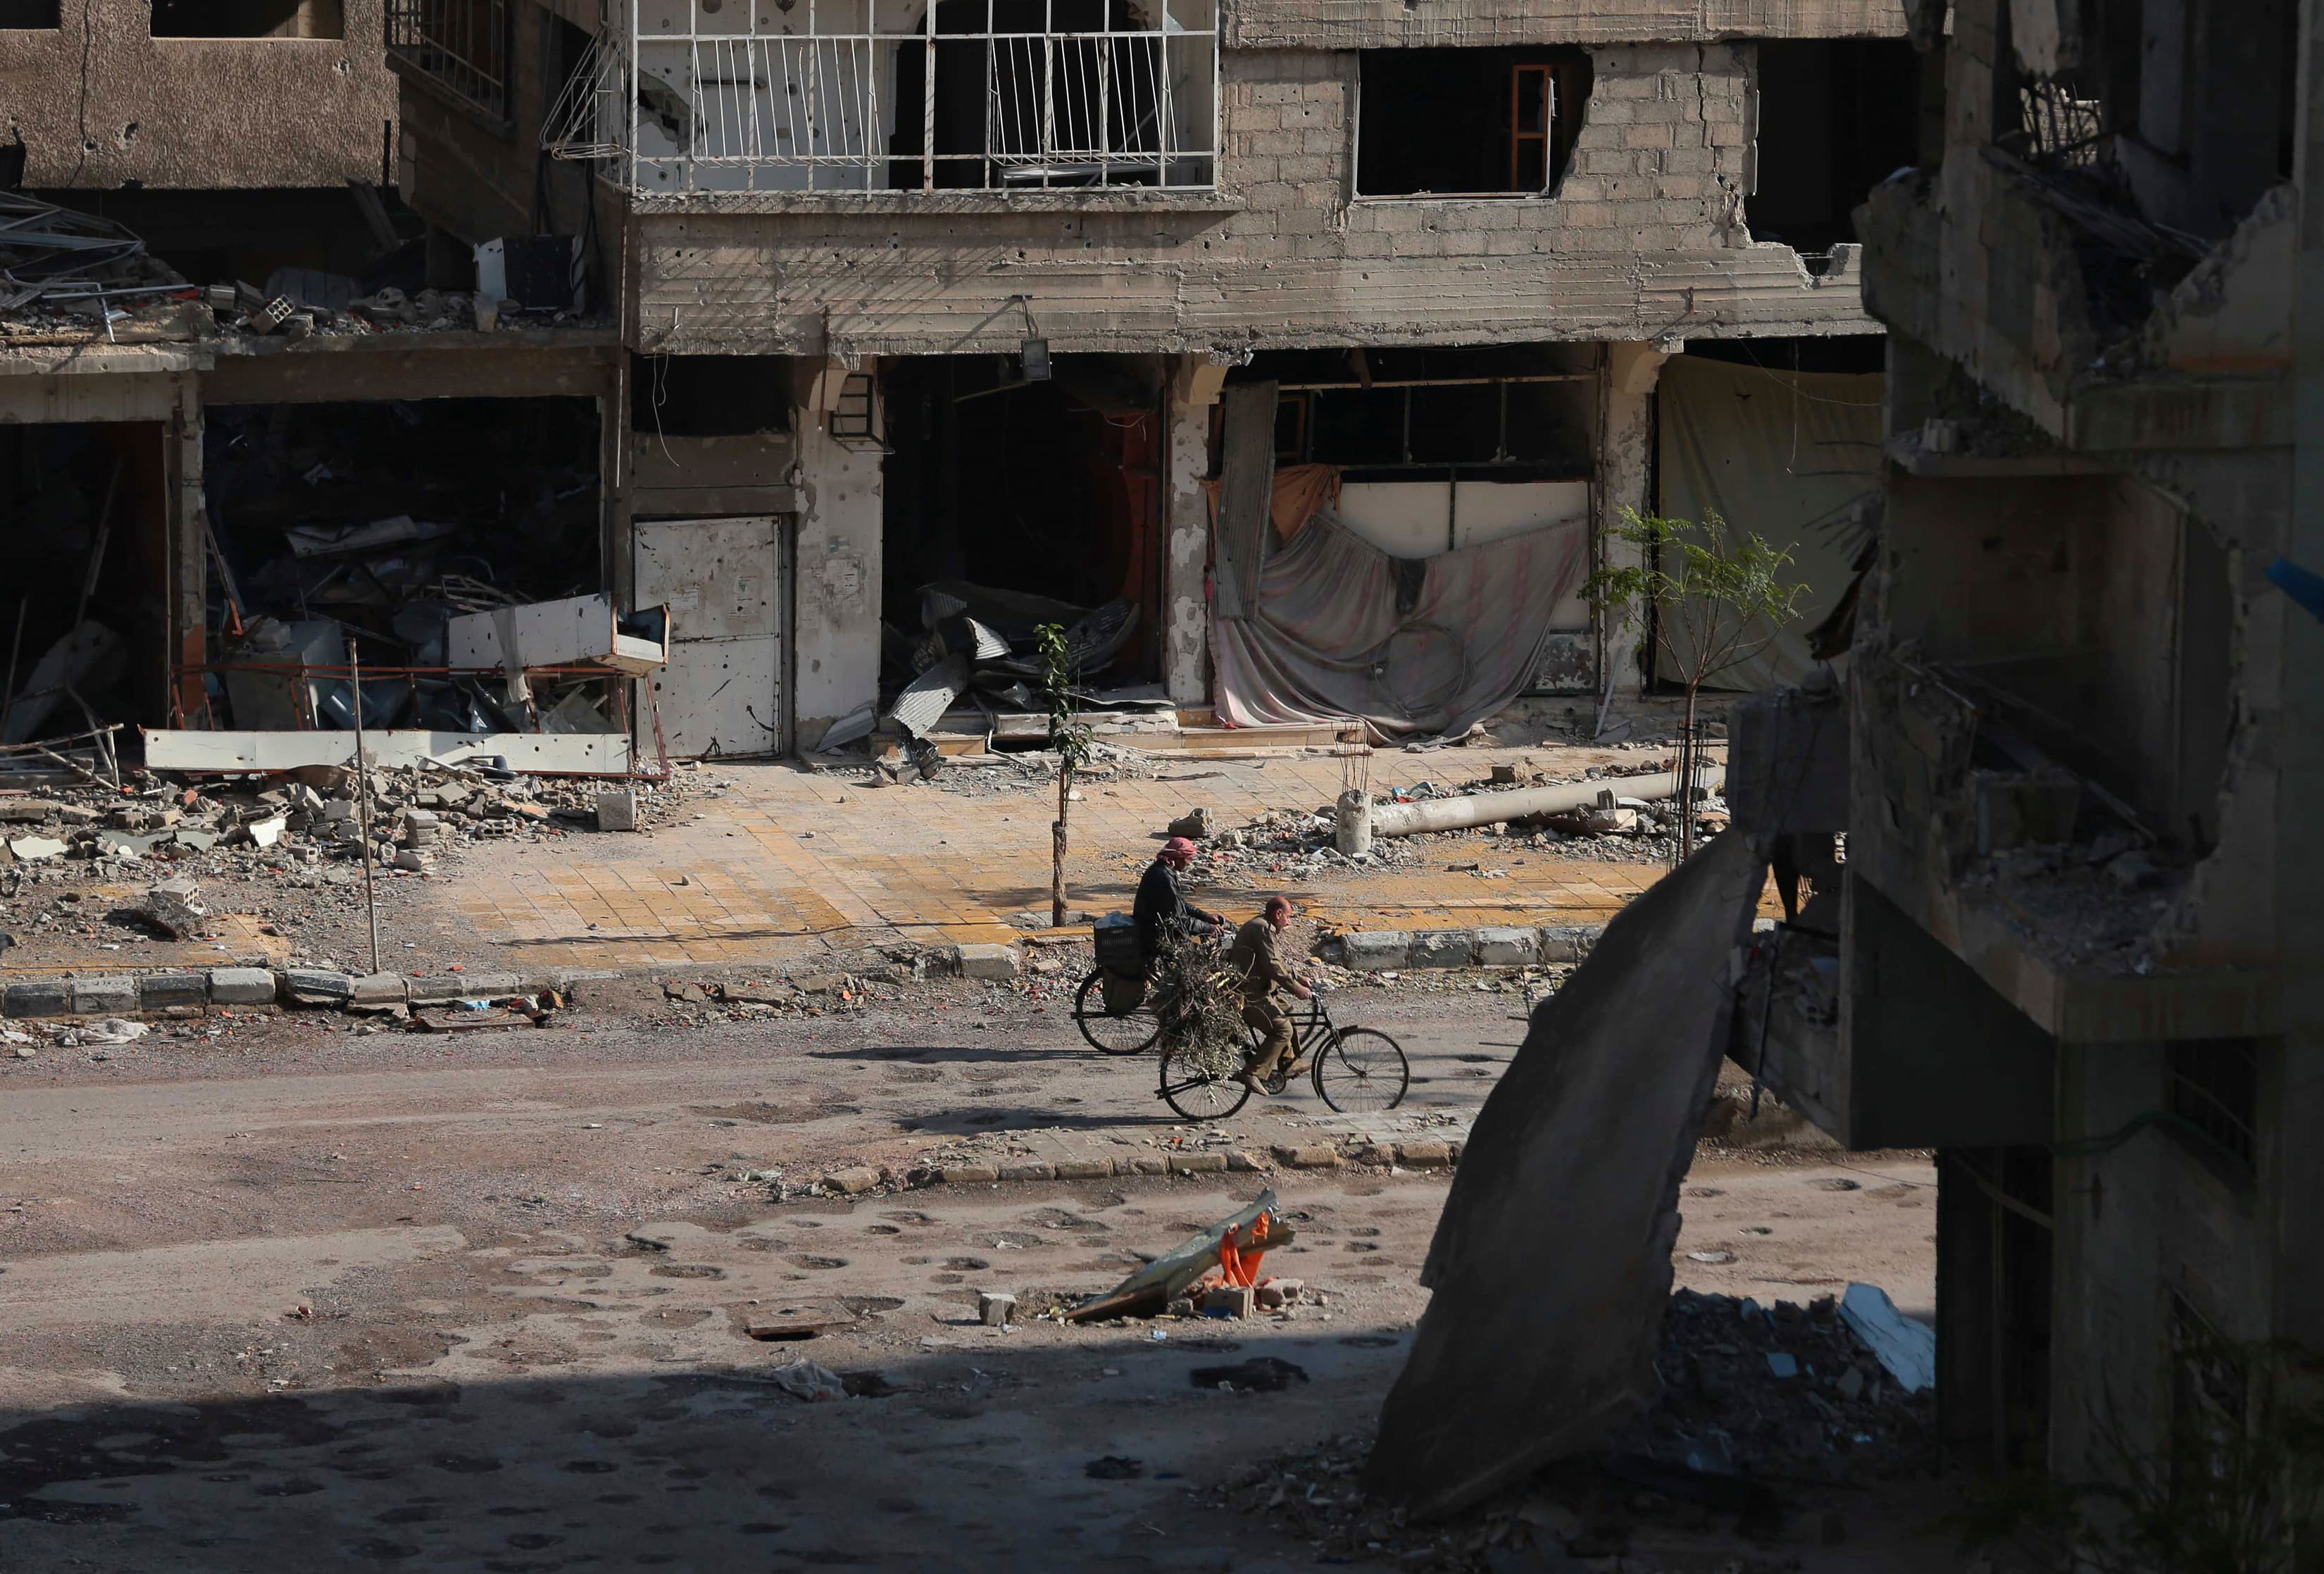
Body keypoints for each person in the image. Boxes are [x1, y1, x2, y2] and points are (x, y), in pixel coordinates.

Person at [1225, 895, 1311, 1096]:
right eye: (1288, 917)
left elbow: (1275, 961)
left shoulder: (1264, 927)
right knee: (1283, 1030)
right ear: (1278, 914)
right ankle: (1251, 1072)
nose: (1288, 922)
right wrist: (1296, 989)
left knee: (1289, 1013)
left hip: (1263, 990)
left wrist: (1298, 977)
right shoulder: (1262, 929)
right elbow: (1273, 967)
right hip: (1248, 996)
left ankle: (1288, 1063)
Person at [1132, 835, 1224, 966]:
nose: (1189, 863)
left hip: (1158, 928)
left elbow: (1180, 905)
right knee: (1198, 958)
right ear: (1178, 858)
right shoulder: (1164, 877)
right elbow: (1177, 918)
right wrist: (1207, 928)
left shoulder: (1163, 870)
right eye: (1188, 859)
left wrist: (1205, 917)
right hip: (1157, 934)